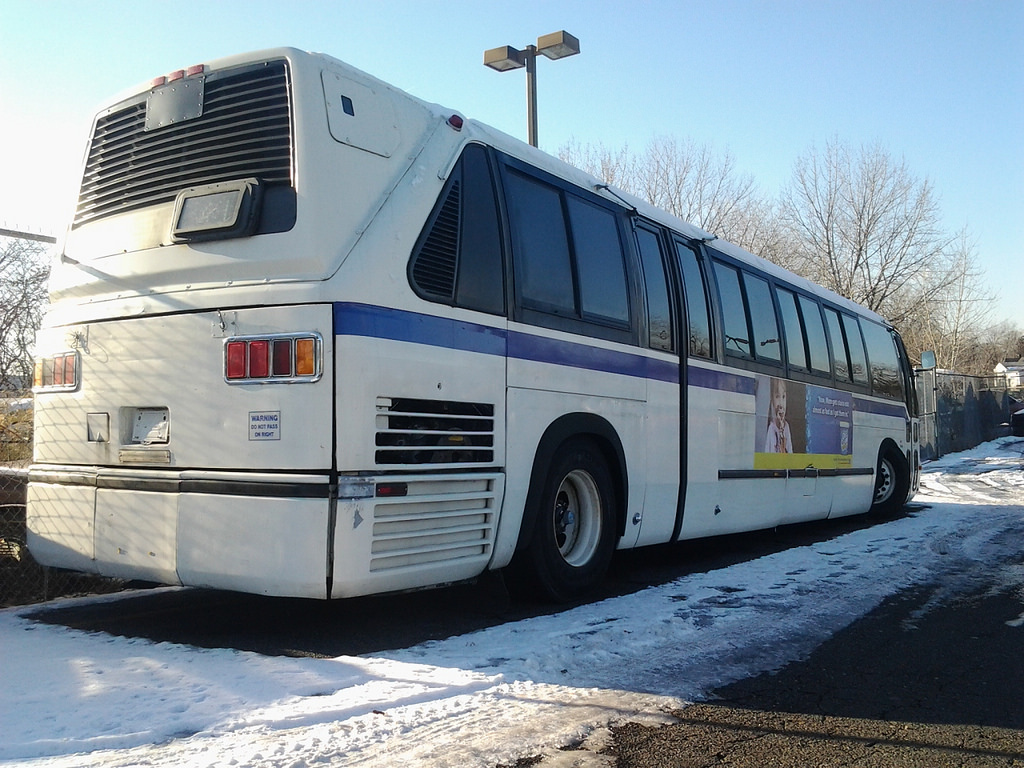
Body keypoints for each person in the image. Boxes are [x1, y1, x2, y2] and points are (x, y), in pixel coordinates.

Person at [765, 377, 793, 453]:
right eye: (777, 397)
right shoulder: (771, 428)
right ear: (772, 400)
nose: (781, 403)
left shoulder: (786, 426)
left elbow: (790, 452)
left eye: (783, 397)